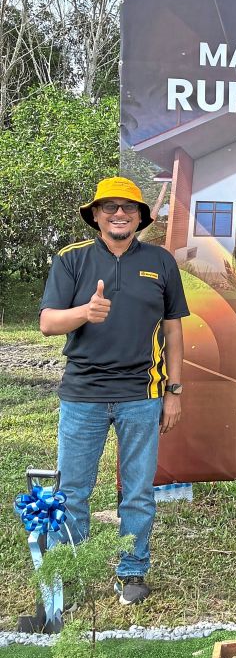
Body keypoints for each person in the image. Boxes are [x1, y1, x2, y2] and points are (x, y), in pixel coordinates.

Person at [39, 176, 189, 604]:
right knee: (72, 492)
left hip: (142, 394)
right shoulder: (71, 259)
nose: (119, 214)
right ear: (96, 215)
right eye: (110, 207)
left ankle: (132, 571)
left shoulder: (161, 261)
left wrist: (174, 391)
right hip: (82, 395)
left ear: (141, 217)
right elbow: (48, 323)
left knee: (138, 492)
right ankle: (72, 574)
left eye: (128, 208)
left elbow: (174, 331)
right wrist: (85, 312)